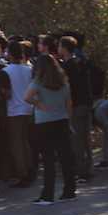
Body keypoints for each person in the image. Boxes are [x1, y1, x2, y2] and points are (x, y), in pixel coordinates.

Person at [25, 53, 75, 204]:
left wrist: (38, 104)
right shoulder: (63, 82)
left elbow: (27, 97)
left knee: (48, 159)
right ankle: (69, 191)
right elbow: (69, 104)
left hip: (44, 122)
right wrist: (69, 120)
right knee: (65, 157)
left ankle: (48, 195)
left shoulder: (38, 82)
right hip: (62, 120)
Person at [58, 35, 94, 180]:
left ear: (65, 48)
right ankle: (88, 168)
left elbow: (68, 88)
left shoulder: (68, 66)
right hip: (86, 103)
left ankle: (81, 171)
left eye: (60, 46)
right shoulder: (82, 62)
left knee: (77, 139)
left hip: (76, 105)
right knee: (85, 138)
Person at [0, 40, 34, 186]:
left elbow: (7, 94)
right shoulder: (29, 70)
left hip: (14, 110)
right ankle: (30, 169)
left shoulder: (5, 72)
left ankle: (22, 173)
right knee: (26, 142)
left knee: (17, 144)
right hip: (29, 109)